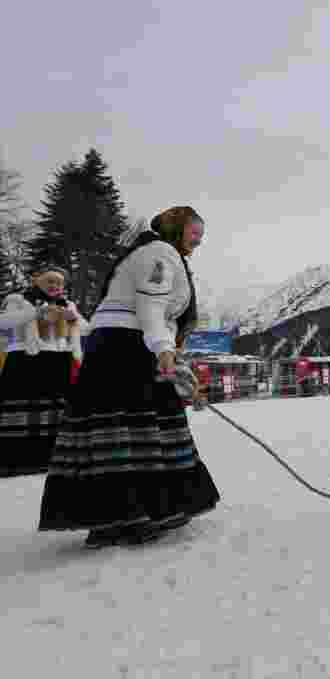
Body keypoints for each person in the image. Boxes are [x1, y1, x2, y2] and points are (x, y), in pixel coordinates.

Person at [38, 208, 221, 547]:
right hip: (129, 347)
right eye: (195, 230)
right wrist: (164, 349)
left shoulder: (146, 251)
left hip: (113, 345)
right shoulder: (160, 254)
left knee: (112, 430)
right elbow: (150, 307)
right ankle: (140, 514)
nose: (199, 237)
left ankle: (110, 517)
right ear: (177, 228)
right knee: (142, 427)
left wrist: (170, 354)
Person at [0, 266, 89, 477]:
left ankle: (51, 459)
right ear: (36, 280)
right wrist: (36, 312)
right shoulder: (18, 300)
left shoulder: (67, 304)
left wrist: (73, 318)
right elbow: (3, 323)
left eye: (59, 282)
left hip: (57, 362)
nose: (55, 286)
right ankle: (14, 461)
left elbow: (86, 328)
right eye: (50, 280)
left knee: (55, 413)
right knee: (22, 413)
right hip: (24, 361)